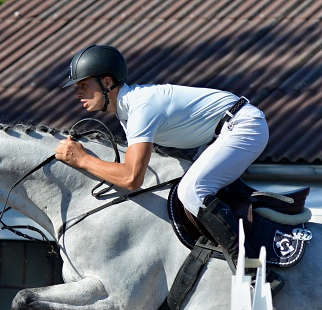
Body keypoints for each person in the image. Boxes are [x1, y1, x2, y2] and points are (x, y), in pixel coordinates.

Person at [56, 44, 269, 273]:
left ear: (107, 83)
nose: (78, 93)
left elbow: (131, 178)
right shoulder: (127, 111)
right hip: (220, 133)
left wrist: (82, 159)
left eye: (83, 85)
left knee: (191, 191)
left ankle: (252, 265)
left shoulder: (141, 108)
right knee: (182, 186)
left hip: (243, 125)